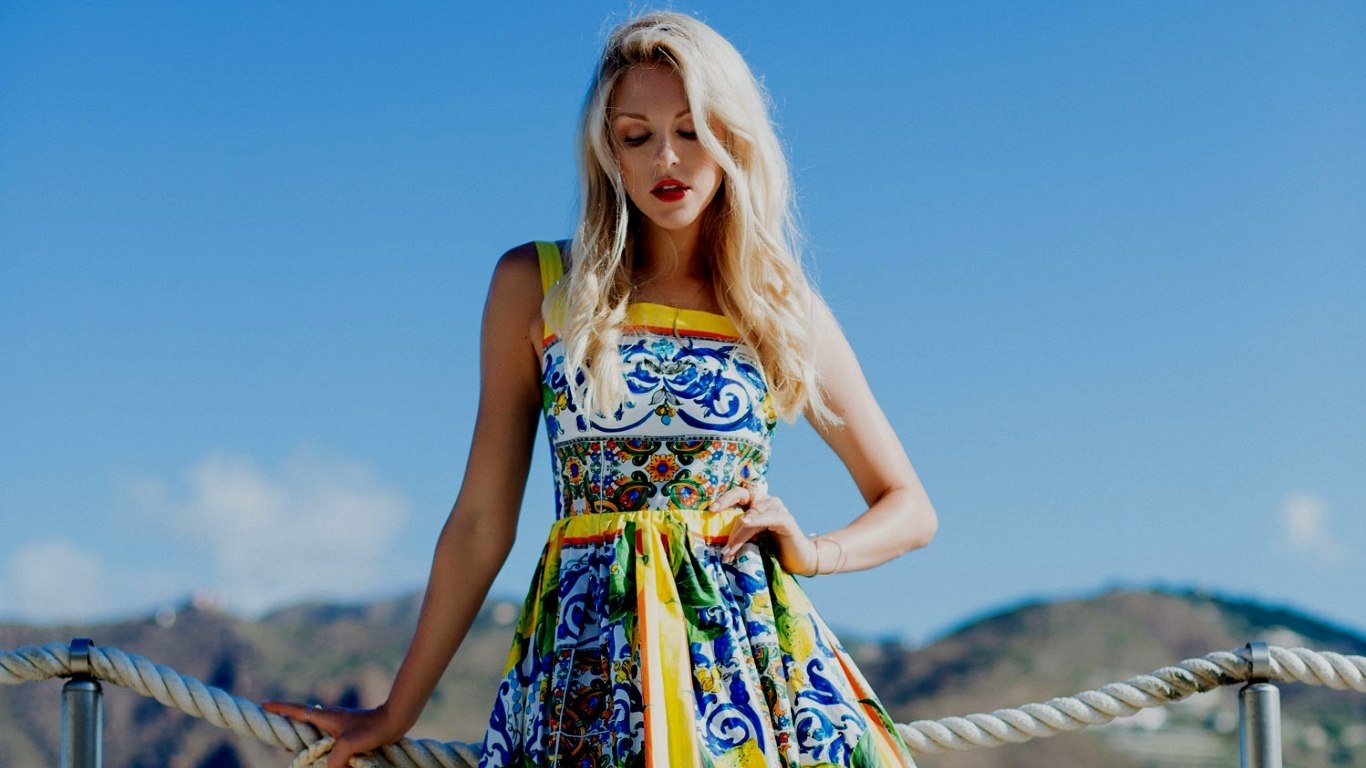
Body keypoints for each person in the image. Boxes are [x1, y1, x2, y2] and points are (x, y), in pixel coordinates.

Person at [265, 11, 937, 768]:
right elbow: (482, 520)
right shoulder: (537, 285)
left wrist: (817, 552)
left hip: (753, 690)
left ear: (733, 137)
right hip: (583, 684)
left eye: (691, 128)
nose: (667, 158)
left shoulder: (778, 306)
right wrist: (398, 708)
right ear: (607, 151)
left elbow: (909, 505)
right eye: (636, 135)